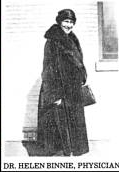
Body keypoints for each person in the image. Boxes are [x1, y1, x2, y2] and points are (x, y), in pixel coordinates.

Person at [36, 9, 89, 156]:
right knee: (60, 122)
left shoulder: (73, 39)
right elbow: (48, 69)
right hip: (59, 88)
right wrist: (55, 94)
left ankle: (73, 149)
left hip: (73, 88)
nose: (69, 25)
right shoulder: (52, 42)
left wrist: (82, 75)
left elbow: (79, 61)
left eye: (72, 22)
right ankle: (64, 152)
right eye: (66, 21)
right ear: (59, 22)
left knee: (74, 120)